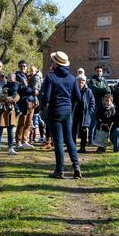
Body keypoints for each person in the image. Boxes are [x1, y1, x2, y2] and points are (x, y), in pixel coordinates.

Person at [40, 51, 82, 179]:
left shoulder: (50, 77)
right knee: (69, 140)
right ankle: (76, 167)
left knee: (58, 141)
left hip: (54, 111)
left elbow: (46, 97)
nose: (51, 63)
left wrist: (42, 107)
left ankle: (60, 170)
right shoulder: (72, 78)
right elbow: (78, 97)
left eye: (53, 61)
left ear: (56, 63)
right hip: (67, 111)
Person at [0, 71, 20, 155]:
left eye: (2, 76)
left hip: (10, 108)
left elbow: (18, 95)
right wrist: (5, 98)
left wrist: (13, 100)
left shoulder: (12, 84)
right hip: (0, 109)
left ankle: (11, 148)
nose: (1, 78)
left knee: (10, 129)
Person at [87, 66, 110, 144]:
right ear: (95, 72)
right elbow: (94, 89)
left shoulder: (104, 81)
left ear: (102, 72)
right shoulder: (92, 81)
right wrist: (104, 90)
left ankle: (96, 140)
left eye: (100, 71)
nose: (99, 72)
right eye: (97, 71)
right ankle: (90, 140)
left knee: (99, 123)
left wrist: (104, 91)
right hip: (94, 104)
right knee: (93, 123)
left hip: (102, 105)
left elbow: (108, 90)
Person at [73, 75, 95, 153]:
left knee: (84, 131)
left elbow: (92, 103)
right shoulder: (74, 90)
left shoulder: (89, 91)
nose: (81, 82)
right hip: (74, 112)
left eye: (83, 81)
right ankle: (72, 147)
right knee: (73, 130)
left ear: (85, 82)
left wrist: (90, 112)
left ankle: (82, 147)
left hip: (85, 114)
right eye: (79, 80)